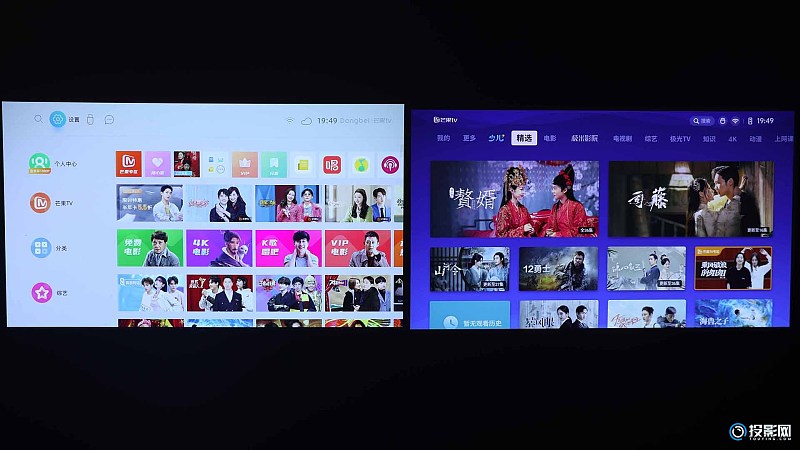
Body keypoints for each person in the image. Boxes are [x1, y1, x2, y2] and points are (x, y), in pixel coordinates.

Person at [544, 164, 589, 237]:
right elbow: (550, 226)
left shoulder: (577, 207)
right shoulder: (555, 207)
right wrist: (549, 231)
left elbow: (580, 231)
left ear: (564, 190)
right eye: (552, 188)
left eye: (555, 188)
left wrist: (557, 234)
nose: (552, 191)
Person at [495, 165, 538, 237]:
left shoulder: (523, 209)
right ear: (511, 190)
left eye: (523, 189)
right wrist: (522, 229)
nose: (523, 192)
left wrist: (532, 230)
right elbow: (501, 235)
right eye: (521, 189)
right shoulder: (504, 210)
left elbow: (531, 226)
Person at [710, 166, 742, 236]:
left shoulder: (742, 203)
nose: (715, 187)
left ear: (730, 182)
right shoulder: (728, 201)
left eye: (718, 183)